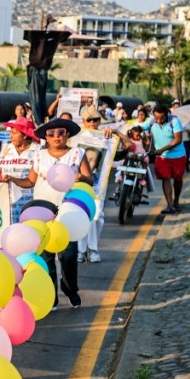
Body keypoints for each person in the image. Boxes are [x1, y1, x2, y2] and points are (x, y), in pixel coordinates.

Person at [9, 118, 93, 308]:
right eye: (51, 133)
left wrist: (80, 177)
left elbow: (90, 179)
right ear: (45, 137)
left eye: (61, 132)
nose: (56, 137)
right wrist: (12, 178)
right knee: (46, 257)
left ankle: (70, 289)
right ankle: (51, 296)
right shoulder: (39, 156)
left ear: (67, 134)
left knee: (68, 255)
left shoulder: (77, 154)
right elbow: (30, 182)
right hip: (42, 210)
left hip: (67, 211)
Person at [77, 107, 105, 263]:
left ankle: (93, 248)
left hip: (98, 181)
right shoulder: (76, 137)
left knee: (96, 215)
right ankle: (81, 250)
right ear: (84, 122)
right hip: (79, 181)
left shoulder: (106, 137)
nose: (93, 122)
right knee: (81, 213)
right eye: (89, 120)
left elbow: (127, 147)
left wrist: (116, 136)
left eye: (96, 119)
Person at [1, 116, 40, 224]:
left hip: (30, 203)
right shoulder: (7, 148)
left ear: (25, 135)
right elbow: (0, 171)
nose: (10, 136)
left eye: (14, 133)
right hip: (10, 202)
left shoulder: (38, 150)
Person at [148, 104, 186, 214]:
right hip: (162, 157)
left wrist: (163, 149)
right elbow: (140, 127)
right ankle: (169, 205)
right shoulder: (152, 122)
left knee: (178, 179)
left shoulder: (174, 121)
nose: (159, 121)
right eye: (156, 118)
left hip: (177, 156)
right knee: (166, 178)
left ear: (167, 115)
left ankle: (176, 201)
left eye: (162, 118)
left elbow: (178, 140)